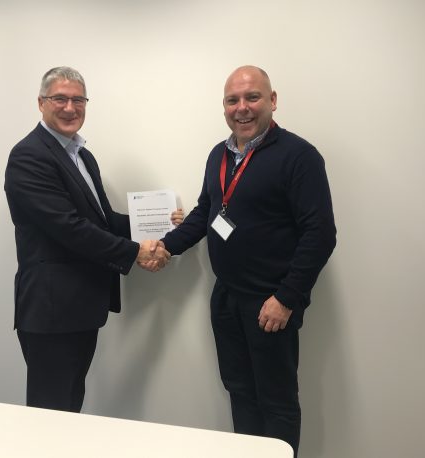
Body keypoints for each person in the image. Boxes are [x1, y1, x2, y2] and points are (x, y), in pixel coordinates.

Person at [161, 65, 336, 455]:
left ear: (272, 100)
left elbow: (320, 234)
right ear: (224, 107)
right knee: (240, 392)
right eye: (232, 100)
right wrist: (166, 247)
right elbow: (207, 212)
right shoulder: (219, 155)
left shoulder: (299, 156)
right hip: (226, 298)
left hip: (270, 304)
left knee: (276, 402)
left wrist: (286, 298)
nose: (242, 107)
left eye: (252, 97)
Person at [4, 66, 178, 413]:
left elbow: (102, 221)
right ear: (41, 103)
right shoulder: (29, 156)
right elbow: (69, 228)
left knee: (71, 406)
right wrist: (136, 252)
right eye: (60, 99)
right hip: (51, 311)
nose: (70, 108)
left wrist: (160, 225)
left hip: (81, 305)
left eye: (78, 100)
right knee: (51, 410)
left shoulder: (82, 155)